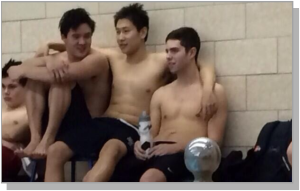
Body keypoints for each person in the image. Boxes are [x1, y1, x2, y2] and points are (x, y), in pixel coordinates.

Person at [37, 3, 217, 182]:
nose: (120, 37)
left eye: (125, 31)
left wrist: (208, 91)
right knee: (55, 151)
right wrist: (50, 45)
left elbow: (203, 65)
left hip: (132, 128)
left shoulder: (161, 60)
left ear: (142, 32)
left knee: (110, 149)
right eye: (117, 32)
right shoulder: (114, 58)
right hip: (104, 121)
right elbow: (82, 47)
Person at [8, 8, 110, 161]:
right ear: (64, 37)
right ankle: (36, 138)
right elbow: (14, 69)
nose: (82, 42)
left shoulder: (97, 60)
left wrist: (26, 70)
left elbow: (61, 74)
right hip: (61, 123)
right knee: (37, 79)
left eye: (87, 36)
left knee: (59, 80)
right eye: (76, 37)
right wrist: (48, 60)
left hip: (88, 126)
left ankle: (47, 139)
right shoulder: (58, 58)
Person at [133, 27, 228, 182]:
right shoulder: (160, 94)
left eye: (175, 51)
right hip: (156, 153)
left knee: (149, 179)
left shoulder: (212, 94)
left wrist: (177, 147)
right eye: (167, 51)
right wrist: (140, 144)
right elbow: (152, 134)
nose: (168, 57)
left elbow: (214, 144)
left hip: (187, 156)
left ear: (191, 53)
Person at [2, 59, 30, 181]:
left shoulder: (29, 112)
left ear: (27, 88)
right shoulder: (3, 110)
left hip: (7, 157)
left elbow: (13, 134)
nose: (6, 92)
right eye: (3, 87)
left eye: (12, 87)